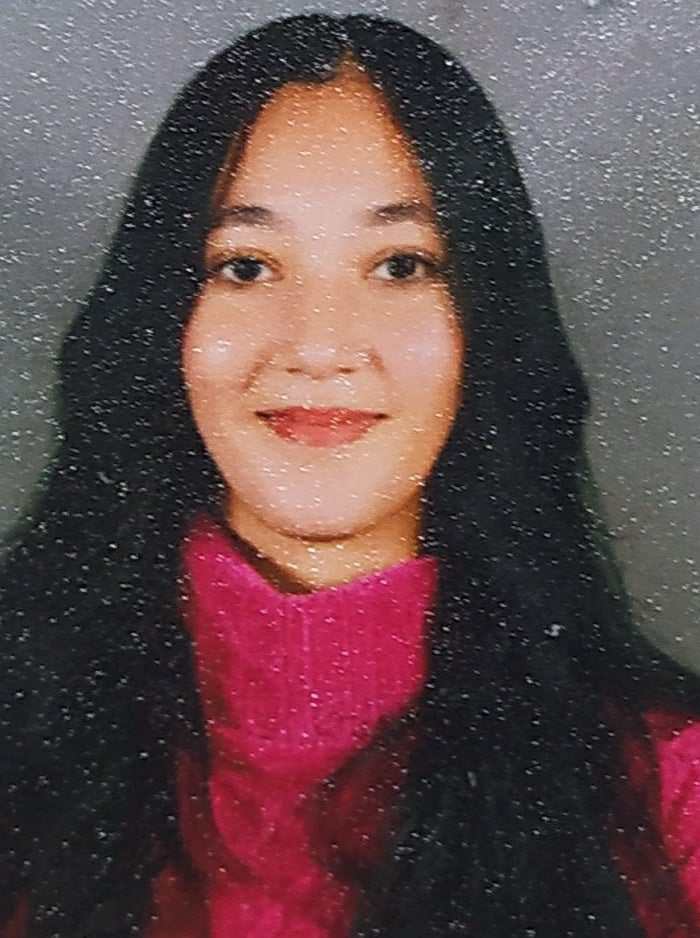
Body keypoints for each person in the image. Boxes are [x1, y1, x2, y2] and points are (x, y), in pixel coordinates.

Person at [1, 12, 699, 938]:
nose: (319, 345)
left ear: (488, 320)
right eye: (246, 266)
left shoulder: (672, 797)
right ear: (161, 316)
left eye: (402, 265)